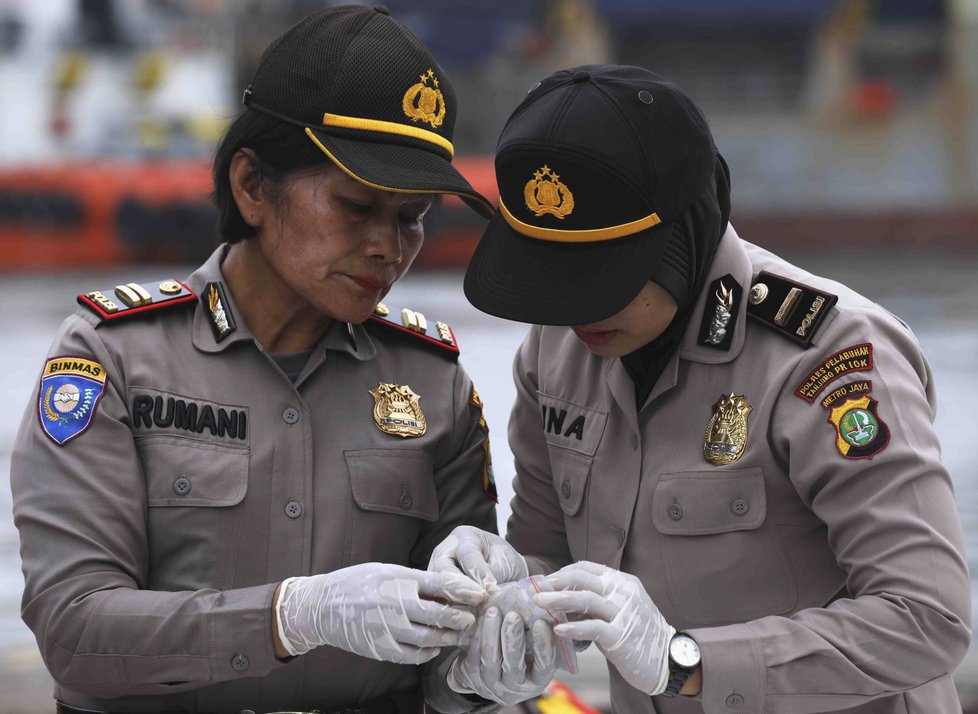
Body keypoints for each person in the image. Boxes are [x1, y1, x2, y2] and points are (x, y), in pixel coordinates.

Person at [10, 6, 509, 713]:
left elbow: (450, 657)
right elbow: (74, 628)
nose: (387, 247)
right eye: (357, 204)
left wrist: (483, 669)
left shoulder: (432, 383)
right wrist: (288, 616)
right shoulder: (113, 360)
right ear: (251, 186)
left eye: (411, 217)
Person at [432, 64, 972, 713]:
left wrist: (682, 661)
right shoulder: (556, 356)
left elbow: (927, 619)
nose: (575, 311)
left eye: (600, 278)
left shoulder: (830, 359)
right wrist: (506, 597)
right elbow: (547, 550)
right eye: (550, 279)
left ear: (684, 235)